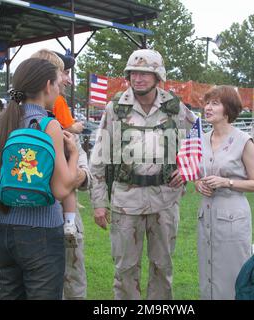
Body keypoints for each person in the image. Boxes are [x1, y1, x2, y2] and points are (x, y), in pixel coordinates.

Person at [89, 49, 197, 300]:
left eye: (145, 73)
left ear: (158, 76)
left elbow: (198, 140)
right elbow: (99, 158)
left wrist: (187, 169)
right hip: (126, 201)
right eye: (134, 73)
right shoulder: (115, 108)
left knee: (162, 267)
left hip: (165, 200)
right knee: (125, 269)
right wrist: (98, 204)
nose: (138, 78)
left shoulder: (174, 108)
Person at [0, 58, 79, 300]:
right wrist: (74, 154)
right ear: (48, 85)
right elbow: (61, 188)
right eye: (58, 83)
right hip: (42, 233)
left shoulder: (0, 120)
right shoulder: (48, 125)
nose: (59, 89)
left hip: (1, 231)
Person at [30, 48, 92, 299]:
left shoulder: (7, 119)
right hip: (53, 214)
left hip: (16, 222)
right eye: (63, 73)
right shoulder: (54, 120)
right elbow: (65, 184)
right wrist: (78, 164)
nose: (67, 79)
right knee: (70, 276)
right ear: (48, 80)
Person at [194, 85, 254, 300]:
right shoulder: (200, 139)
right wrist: (198, 183)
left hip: (232, 217)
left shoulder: (243, 141)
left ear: (228, 109)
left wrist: (227, 182)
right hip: (206, 215)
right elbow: (198, 172)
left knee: (232, 275)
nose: (208, 108)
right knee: (208, 273)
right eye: (207, 103)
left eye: (215, 103)